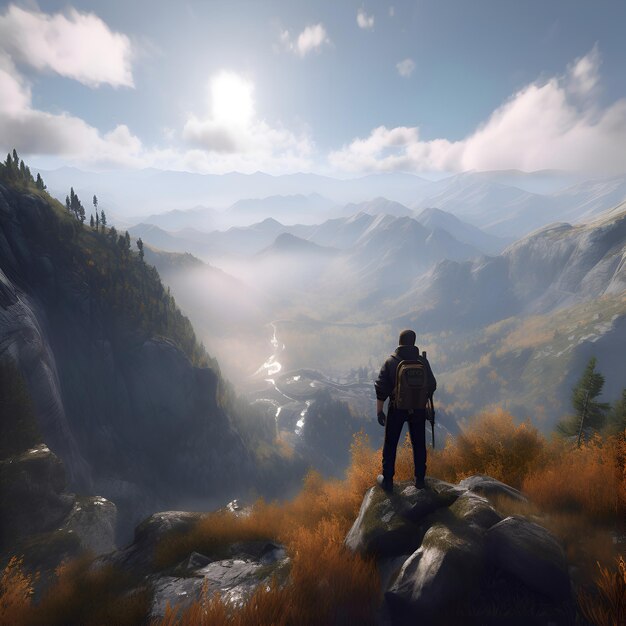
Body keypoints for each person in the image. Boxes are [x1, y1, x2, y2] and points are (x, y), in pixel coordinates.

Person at [374, 329, 437, 492]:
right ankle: (420, 479)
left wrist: (379, 411)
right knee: (419, 443)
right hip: (418, 408)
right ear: (413, 342)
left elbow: (381, 387)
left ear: (399, 342)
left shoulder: (391, 361)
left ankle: (387, 481)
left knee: (391, 444)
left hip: (397, 408)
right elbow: (432, 385)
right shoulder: (422, 361)